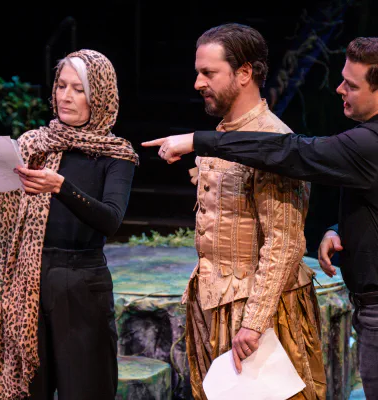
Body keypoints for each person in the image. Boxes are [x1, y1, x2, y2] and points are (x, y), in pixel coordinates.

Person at [143, 36, 378, 398]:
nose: (198, 83)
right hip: (217, 304)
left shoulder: (349, 141)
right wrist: (337, 228)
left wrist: (253, 323)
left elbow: (284, 233)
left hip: (260, 313)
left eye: (209, 72)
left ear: (244, 73)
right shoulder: (230, 131)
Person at [0, 49, 138, 400]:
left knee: (85, 390)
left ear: (100, 95)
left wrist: (61, 187)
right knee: (26, 390)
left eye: (78, 89)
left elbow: (110, 220)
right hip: (26, 284)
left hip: (81, 284)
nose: (65, 96)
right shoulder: (33, 144)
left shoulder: (116, 154)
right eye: (61, 85)